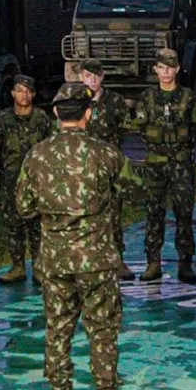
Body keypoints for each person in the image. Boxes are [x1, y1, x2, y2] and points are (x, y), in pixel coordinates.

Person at [16, 82, 145, 390]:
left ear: (57, 114)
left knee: (57, 331)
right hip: (95, 260)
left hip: (55, 260)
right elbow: (135, 190)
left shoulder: (37, 155)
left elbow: (23, 207)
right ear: (88, 114)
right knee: (102, 333)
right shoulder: (105, 153)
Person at [136, 49, 196, 284]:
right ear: (156, 69)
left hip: (181, 163)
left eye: (170, 68)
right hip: (155, 164)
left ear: (176, 70)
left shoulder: (188, 97)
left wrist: (179, 147)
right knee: (154, 212)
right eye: (161, 68)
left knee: (184, 213)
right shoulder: (147, 97)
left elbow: (195, 128)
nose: (166, 72)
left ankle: (185, 262)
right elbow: (142, 128)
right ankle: (152, 262)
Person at [0, 75, 52, 285]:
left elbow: (49, 149)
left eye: (28, 91)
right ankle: (17, 266)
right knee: (12, 223)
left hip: (36, 181)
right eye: (19, 90)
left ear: (33, 94)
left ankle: (38, 266)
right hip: (11, 180)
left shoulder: (42, 119)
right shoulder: (2, 120)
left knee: (37, 225)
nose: (23, 95)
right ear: (12, 93)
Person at [76, 58, 135, 281]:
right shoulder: (74, 100)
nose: (92, 79)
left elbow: (124, 129)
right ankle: (85, 261)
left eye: (96, 75)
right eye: (88, 75)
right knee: (83, 214)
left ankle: (117, 260)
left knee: (113, 215)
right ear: (81, 76)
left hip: (108, 168)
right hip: (82, 166)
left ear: (102, 77)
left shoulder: (115, 101)